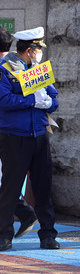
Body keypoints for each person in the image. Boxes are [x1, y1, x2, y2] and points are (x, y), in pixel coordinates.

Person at [0, 27, 60, 251]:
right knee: (11, 187)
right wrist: (31, 100)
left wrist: (47, 102)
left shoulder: (39, 71)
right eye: (37, 49)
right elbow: (4, 100)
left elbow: (53, 99)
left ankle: (48, 235)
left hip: (39, 134)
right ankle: (4, 234)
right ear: (28, 50)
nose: (39, 53)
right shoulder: (5, 70)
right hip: (14, 135)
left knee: (44, 186)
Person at [0, 27, 39, 239]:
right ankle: (24, 212)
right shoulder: (12, 67)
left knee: (8, 181)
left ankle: (21, 216)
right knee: (8, 181)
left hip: (12, 131)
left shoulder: (11, 69)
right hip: (12, 132)